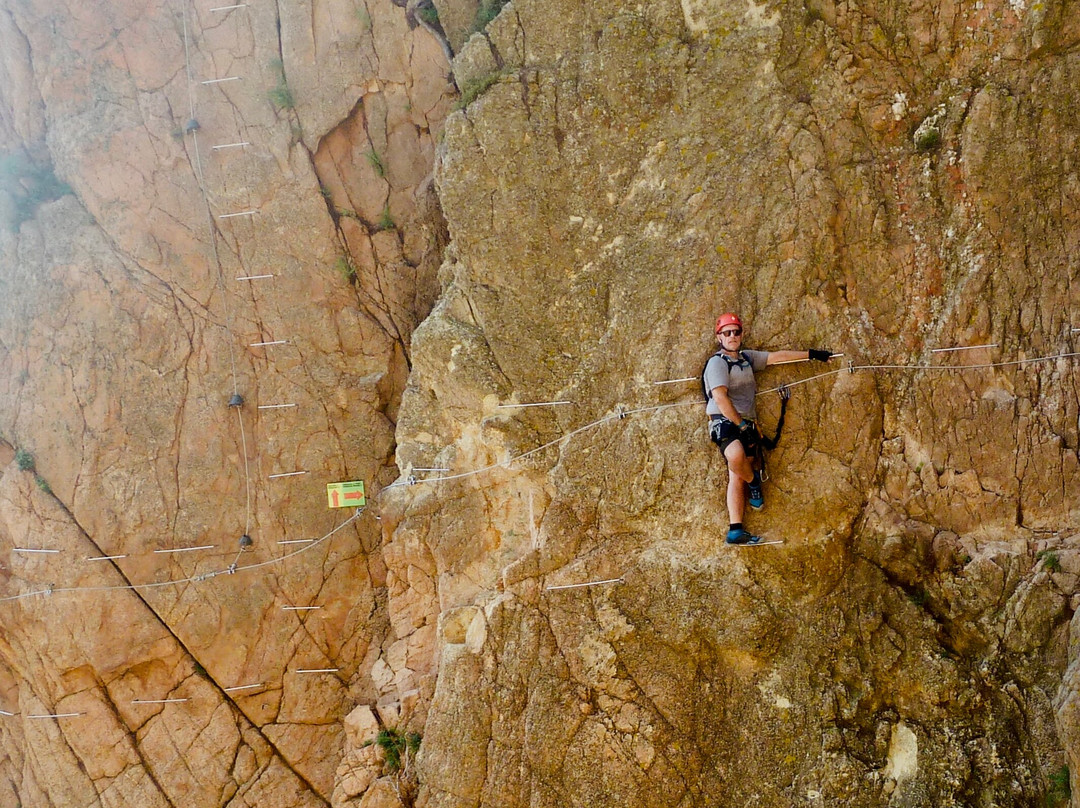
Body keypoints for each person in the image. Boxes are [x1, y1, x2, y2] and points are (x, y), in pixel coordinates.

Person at [704, 313, 833, 545]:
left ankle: (736, 529)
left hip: (749, 422)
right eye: (727, 332)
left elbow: (776, 358)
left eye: (736, 331)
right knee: (735, 456)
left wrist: (812, 355)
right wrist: (741, 425)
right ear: (719, 337)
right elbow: (721, 399)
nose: (732, 336)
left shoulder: (746, 358)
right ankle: (754, 481)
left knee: (736, 475)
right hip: (725, 421)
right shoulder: (717, 363)